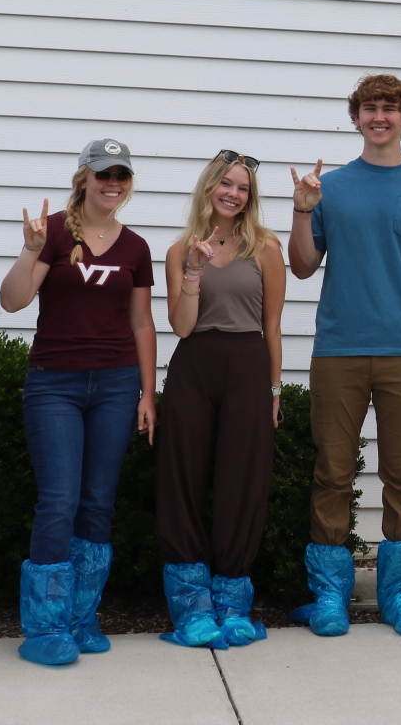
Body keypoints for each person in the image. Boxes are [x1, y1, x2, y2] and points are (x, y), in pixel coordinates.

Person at [288, 74, 401, 638]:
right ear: (356, 117)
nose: (379, 117)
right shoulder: (330, 188)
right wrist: (301, 210)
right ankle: (331, 596)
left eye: (389, 109)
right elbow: (302, 266)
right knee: (332, 474)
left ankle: (400, 595)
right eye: (369, 109)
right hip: (338, 350)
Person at [0, 139, 156, 665]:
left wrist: (147, 392)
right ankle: (44, 628)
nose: (113, 182)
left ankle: (81, 617)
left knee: (97, 503)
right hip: (54, 385)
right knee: (59, 500)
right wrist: (30, 249)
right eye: (103, 172)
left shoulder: (135, 248)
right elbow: (14, 301)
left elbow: (141, 322)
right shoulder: (55, 233)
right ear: (83, 176)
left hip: (115, 385)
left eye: (122, 175)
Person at [154, 151, 287, 649]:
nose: (233, 193)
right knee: (182, 479)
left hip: (248, 365)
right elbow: (182, 326)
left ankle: (233, 604)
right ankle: (191, 608)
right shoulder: (179, 249)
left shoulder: (266, 248)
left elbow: (272, 326)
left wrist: (274, 389)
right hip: (195, 365)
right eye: (225, 184)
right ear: (209, 187)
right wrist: (192, 271)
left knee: (243, 482)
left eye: (243, 188)